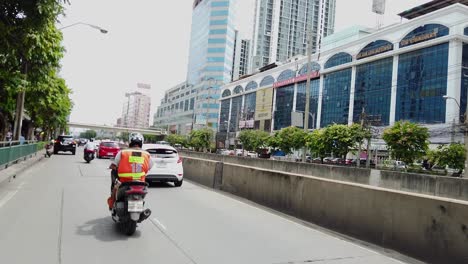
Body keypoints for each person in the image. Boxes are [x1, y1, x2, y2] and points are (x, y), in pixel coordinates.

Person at [107, 133, 153, 209]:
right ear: (141, 143)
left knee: (114, 184)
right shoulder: (147, 154)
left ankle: (111, 205)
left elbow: (114, 166)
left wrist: (112, 167)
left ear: (130, 142)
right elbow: (149, 167)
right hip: (141, 183)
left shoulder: (122, 152)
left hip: (123, 183)